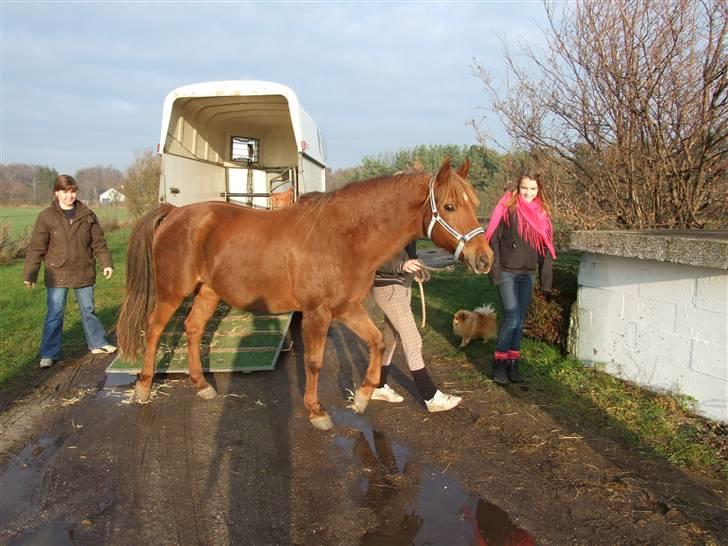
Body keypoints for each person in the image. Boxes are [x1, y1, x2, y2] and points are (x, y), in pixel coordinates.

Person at [23, 175, 117, 368]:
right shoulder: (46, 216)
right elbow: (36, 248)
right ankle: (49, 353)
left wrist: (106, 263)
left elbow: (98, 242)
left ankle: (98, 343)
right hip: (57, 273)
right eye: (65, 192)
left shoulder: (87, 214)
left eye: (72, 191)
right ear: (56, 193)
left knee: (88, 310)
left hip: (84, 270)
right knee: (55, 313)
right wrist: (30, 274)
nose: (69, 196)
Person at [370, 240, 462, 412]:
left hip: (400, 286)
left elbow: (405, 255)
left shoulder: (407, 224)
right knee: (413, 340)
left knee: (390, 340)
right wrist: (402, 265)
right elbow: (374, 255)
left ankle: (378, 386)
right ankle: (430, 396)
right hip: (389, 287)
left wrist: (417, 269)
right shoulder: (386, 220)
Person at [485, 171, 556, 386]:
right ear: (518, 186)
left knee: (520, 320)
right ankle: (499, 363)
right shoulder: (506, 208)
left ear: (539, 190)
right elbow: (493, 241)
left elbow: (546, 247)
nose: (528, 192)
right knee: (512, 317)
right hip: (507, 271)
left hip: (527, 274)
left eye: (533, 189)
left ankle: (513, 363)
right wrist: (494, 271)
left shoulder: (542, 213)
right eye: (525, 187)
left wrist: (546, 280)